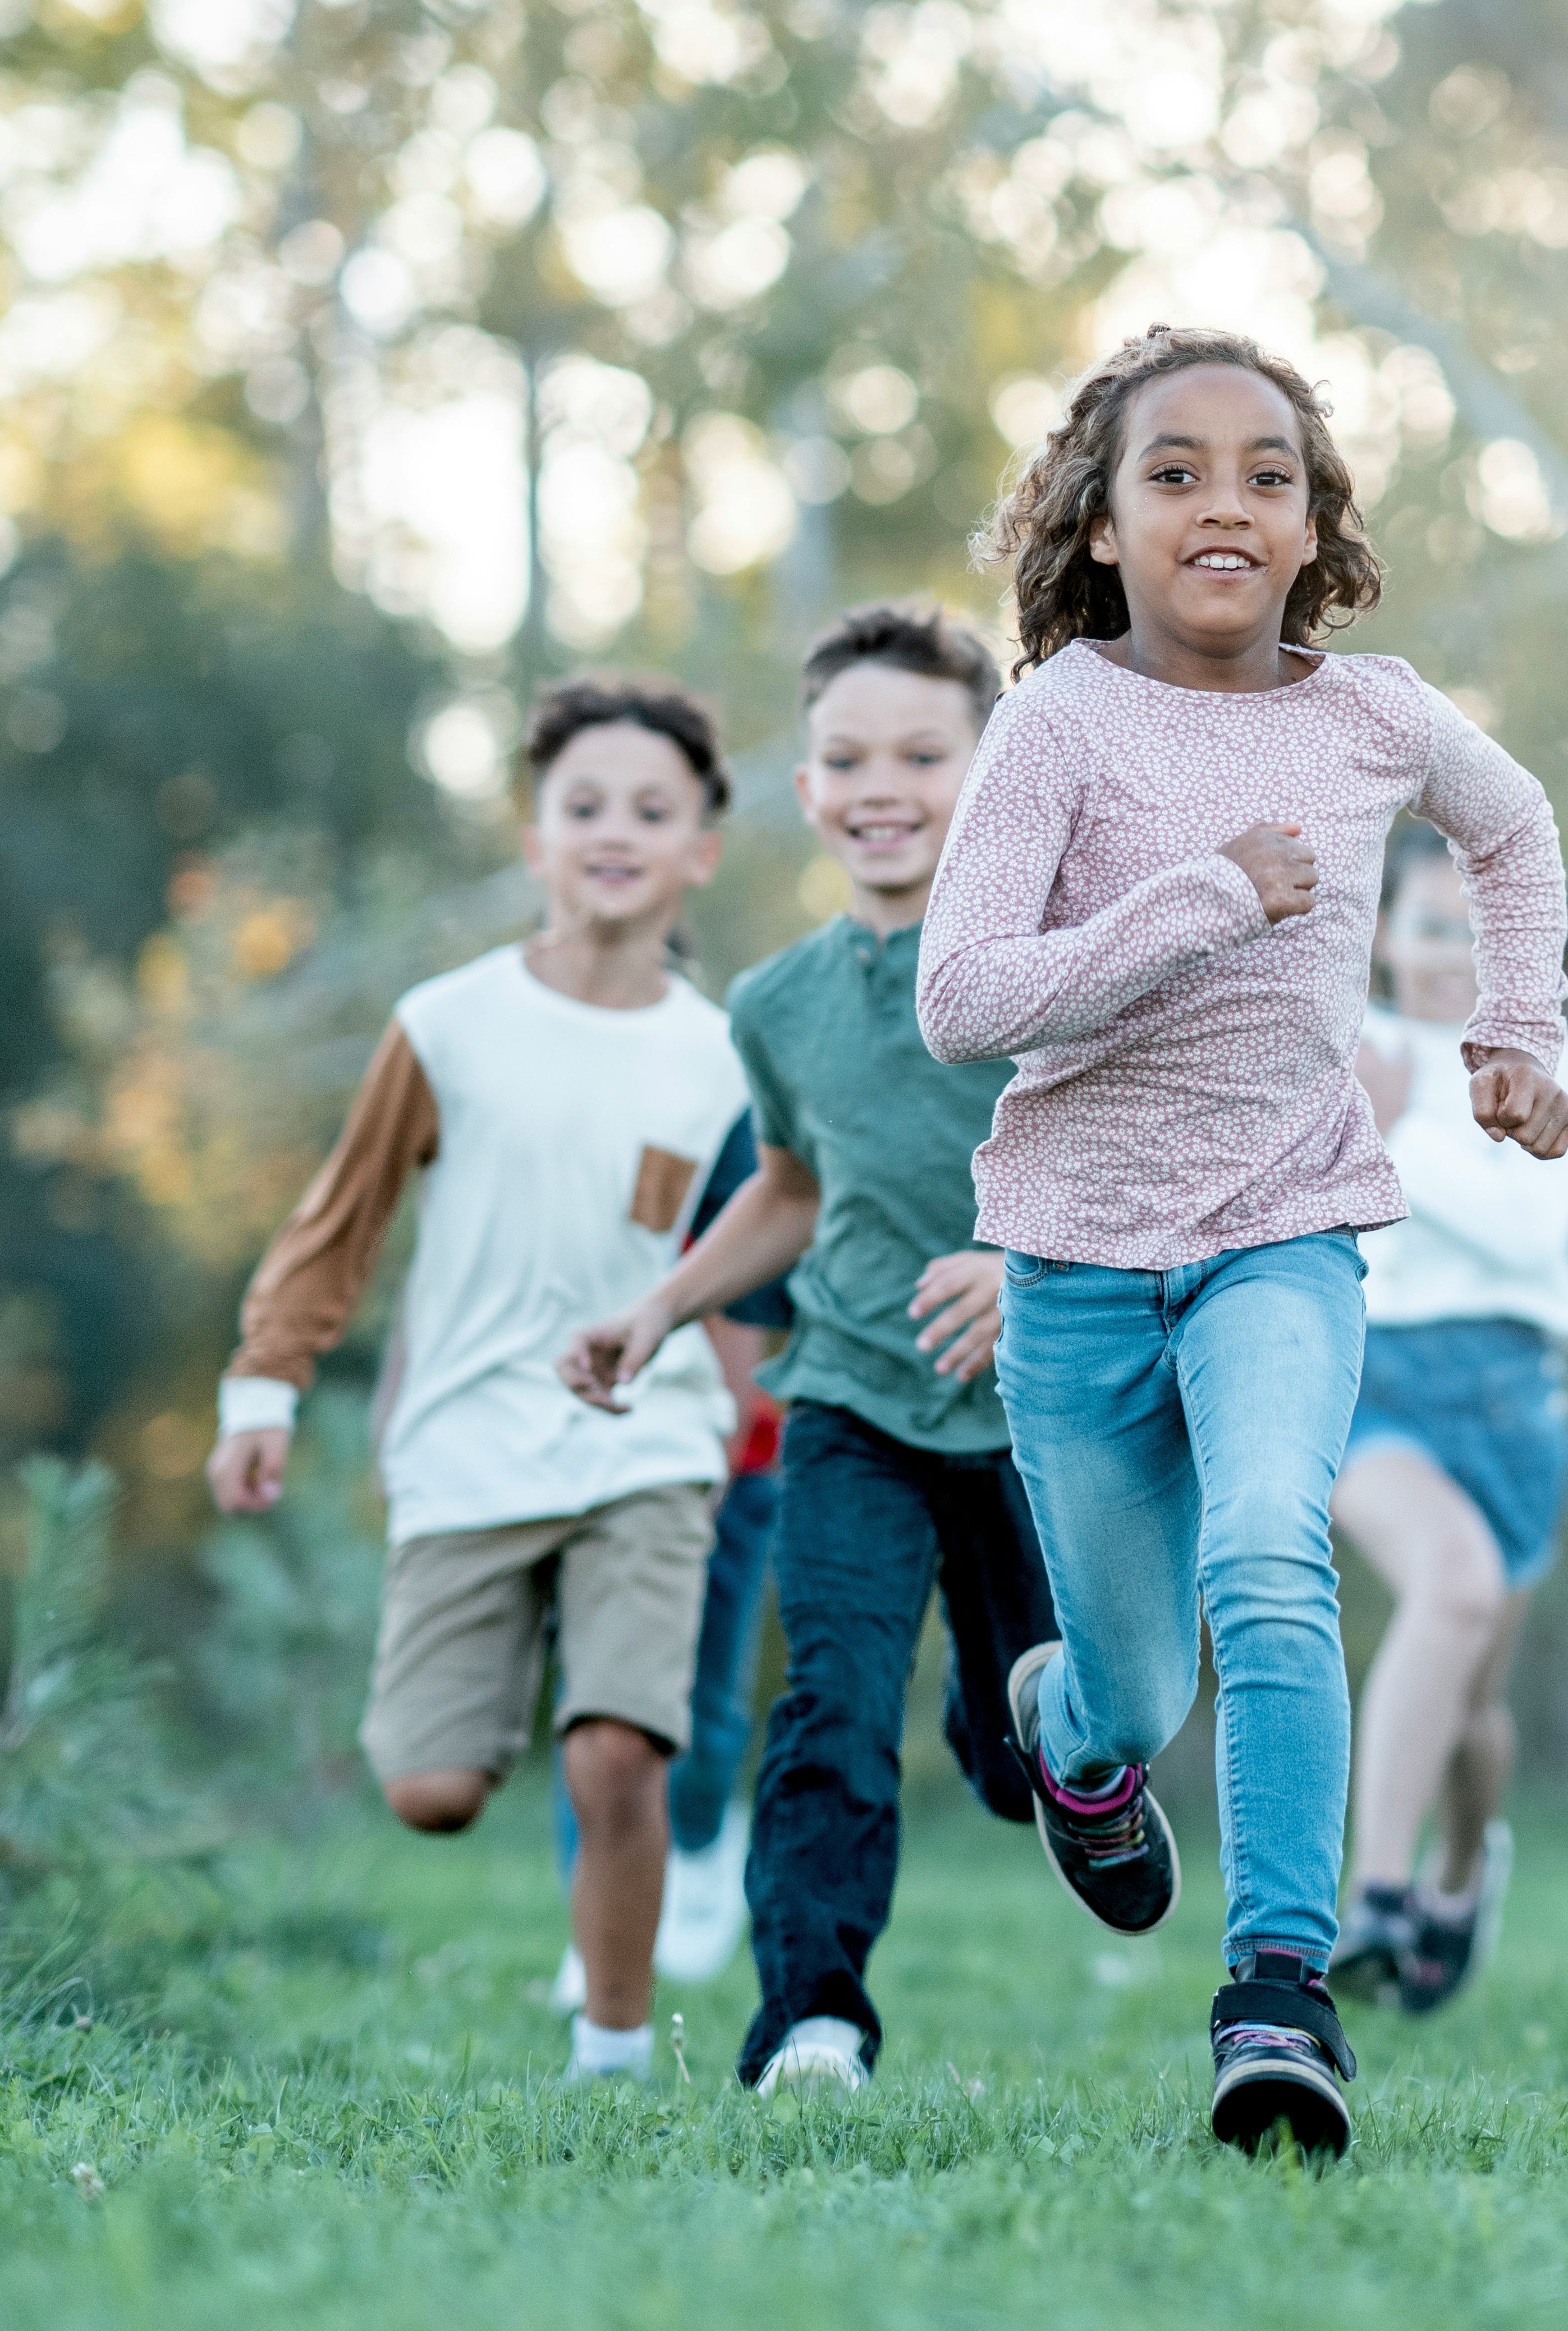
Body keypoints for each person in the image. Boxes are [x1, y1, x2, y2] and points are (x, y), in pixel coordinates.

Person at [918, 323, 1568, 2159]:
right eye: (1177, 472)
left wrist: (1510, 1029)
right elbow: (962, 997)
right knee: (1138, 1678)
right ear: (1102, 526)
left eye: (1266, 475)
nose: (1226, 502)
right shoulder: (1055, 720)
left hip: (1289, 1225)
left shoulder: (1373, 713)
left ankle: (1278, 1990)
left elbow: (1513, 830)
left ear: (1313, 527)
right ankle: (1068, 1730)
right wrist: (1206, 897)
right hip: (1073, 1259)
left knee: (1275, 1552)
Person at [207, 676, 749, 2082]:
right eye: (584, 807)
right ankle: (496, 1693)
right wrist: (265, 1385)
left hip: (650, 1438)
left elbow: (758, 1243)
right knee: (434, 1790)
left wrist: (775, 1400)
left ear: (701, 847)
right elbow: (344, 1218)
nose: (614, 832)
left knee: (619, 1753)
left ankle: (614, 2050)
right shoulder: (444, 1025)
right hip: (466, 1444)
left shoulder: (723, 1056)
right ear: (534, 839)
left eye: (651, 809)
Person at [561, 600, 1059, 2096]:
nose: (883, 786)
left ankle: (1044, 1736)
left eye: (924, 752)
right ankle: (815, 2020)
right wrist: (660, 1308)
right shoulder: (778, 1005)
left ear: (995, 771)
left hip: (1042, 1410)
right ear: (807, 790)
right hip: (852, 1392)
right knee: (831, 1700)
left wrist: (1026, 1265)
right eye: (848, 757)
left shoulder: (1056, 968)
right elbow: (790, 1186)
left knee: (1020, 1747)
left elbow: (1147, 1160)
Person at [1328, 822, 1568, 2016]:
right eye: (1432, 925)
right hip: (1365, 1379)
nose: (1453, 955)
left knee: (1474, 1715)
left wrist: (1392, 1139)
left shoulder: (1540, 1061)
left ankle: (1458, 1870)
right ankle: (1375, 1898)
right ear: (1381, 933)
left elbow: (1528, 1235)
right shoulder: (1339, 1048)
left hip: (1509, 1399)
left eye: (1485, 933)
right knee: (1446, 1585)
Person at [545, 1122, 792, 2012]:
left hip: (728, 1462)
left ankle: (698, 1831)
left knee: (703, 1703)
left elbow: (740, 1302)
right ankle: (593, 1928)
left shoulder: (709, 1129)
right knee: (599, 1702)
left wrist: (725, 1443)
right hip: (596, 1455)